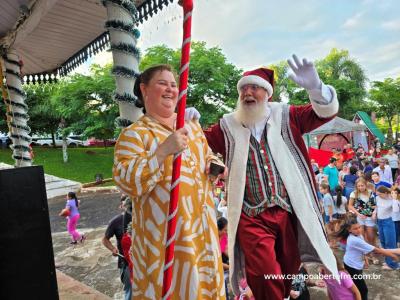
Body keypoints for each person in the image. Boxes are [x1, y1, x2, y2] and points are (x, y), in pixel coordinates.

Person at [204, 55, 339, 299]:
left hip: (288, 210)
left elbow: (324, 113)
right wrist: (185, 120)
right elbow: (197, 140)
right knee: (264, 271)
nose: (247, 92)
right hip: (251, 214)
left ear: (267, 93)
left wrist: (316, 88)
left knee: (288, 266)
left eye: (254, 87)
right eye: (244, 88)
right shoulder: (227, 125)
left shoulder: (287, 116)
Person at [112, 64, 225, 299]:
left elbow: (208, 156)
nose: (170, 89)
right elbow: (126, 182)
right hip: (165, 245)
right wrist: (163, 151)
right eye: (162, 83)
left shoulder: (192, 127)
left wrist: (215, 166)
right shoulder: (134, 134)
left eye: (174, 84)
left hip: (203, 236)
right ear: (144, 89)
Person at [334, 217, 399, 300]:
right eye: (355, 228)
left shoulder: (358, 235)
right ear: (349, 230)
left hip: (355, 264)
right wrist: (392, 255)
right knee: (363, 290)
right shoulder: (353, 240)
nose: (358, 230)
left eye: (359, 227)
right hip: (352, 266)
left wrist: (365, 260)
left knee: (357, 287)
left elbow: (362, 249)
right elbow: (376, 250)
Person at [102, 195, 133, 300]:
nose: (128, 208)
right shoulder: (115, 221)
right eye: (126, 205)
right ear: (121, 206)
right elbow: (105, 240)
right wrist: (113, 249)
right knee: (130, 293)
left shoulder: (141, 219)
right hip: (126, 263)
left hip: (142, 262)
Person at [347, 178, 377, 263]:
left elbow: (374, 205)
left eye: (362, 185)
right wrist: (358, 214)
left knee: (371, 237)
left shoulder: (370, 192)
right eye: (359, 186)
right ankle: (366, 256)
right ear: (356, 186)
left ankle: (372, 255)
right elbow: (350, 206)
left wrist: (374, 213)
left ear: (365, 185)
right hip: (359, 218)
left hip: (369, 218)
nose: (360, 187)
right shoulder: (354, 193)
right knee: (362, 237)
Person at [372, 186, 399, 270]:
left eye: (380, 194)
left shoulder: (392, 199)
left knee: (390, 243)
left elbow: (395, 210)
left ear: (386, 193)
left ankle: (393, 265)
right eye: (377, 194)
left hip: (388, 222)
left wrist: (394, 199)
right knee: (383, 242)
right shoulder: (377, 198)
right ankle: (388, 261)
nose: (378, 195)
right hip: (379, 222)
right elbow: (376, 207)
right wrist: (374, 213)